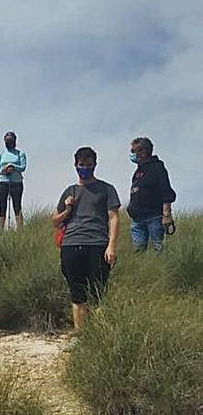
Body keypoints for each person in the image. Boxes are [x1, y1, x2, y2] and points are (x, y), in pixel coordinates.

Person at [52, 147, 120, 329]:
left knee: (98, 293)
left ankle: (97, 335)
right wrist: (67, 209)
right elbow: (55, 221)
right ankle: (80, 334)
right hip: (71, 245)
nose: (85, 168)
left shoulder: (106, 189)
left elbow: (114, 217)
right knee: (77, 293)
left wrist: (111, 245)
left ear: (95, 165)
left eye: (89, 165)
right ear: (75, 165)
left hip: (98, 244)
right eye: (82, 165)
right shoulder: (70, 191)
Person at [128, 137, 176, 253]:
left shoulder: (157, 168)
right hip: (137, 218)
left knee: (157, 250)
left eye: (134, 151)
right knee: (138, 252)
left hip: (154, 217)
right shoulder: (138, 172)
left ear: (143, 152)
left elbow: (166, 191)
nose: (132, 154)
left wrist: (166, 214)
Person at [0, 131, 27, 230]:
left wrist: (13, 167)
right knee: (2, 206)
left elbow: (23, 167)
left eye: (11, 141)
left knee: (17, 205)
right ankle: (0, 230)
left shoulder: (20, 153)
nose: (9, 143)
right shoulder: (1, 154)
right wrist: (2, 171)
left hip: (16, 182)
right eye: (7, 141)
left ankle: (20, 229)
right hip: (2, 182)